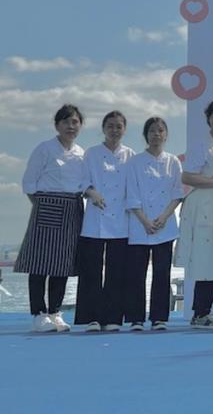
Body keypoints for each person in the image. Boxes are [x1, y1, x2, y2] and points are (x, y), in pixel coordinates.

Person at [15, 104, 91, 332]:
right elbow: (29, 183)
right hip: (47, 205)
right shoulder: (45, 149)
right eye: (66, 122)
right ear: (57, 125)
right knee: (40, 263)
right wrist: (42, 207)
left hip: (73, 207)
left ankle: (55, 312)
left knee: (63, 264)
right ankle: (38, 314)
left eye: (75, 122)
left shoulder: (82, 153)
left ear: (81, 126)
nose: (71, 126)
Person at [175, 98, 213, 329]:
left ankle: (204, 311)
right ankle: (200, 313)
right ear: (208, 118)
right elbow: (187, 176)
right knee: (205, 259)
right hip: (204, 206)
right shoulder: (201, 145)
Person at [75, 110, 135, 332]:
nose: (114, 130)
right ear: (103, 129)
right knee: (91, 271)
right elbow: (82, 181)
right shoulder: (91, 153)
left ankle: (113, 318)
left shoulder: (130, 155)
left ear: (124, 129)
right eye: (110, 126)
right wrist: (93, 192)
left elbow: (134, 186)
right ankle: (90, 318)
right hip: (95, 219)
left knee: (116, 272)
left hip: (121, 220)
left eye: (119, 126)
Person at [125, 117, 184, 331]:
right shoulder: (134, 162)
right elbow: (131, 194)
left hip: (164, 225)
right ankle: (136, 318)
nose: (156, 134)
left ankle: (159, 318)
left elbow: (178, 193)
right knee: (136, 274)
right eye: (152, 131)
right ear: (145, 135)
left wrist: (164, 217)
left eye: (160, 130)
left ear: (166, 135)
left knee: (162, 273)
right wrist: (145, 221)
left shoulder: (173, 161)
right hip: (139, 224)